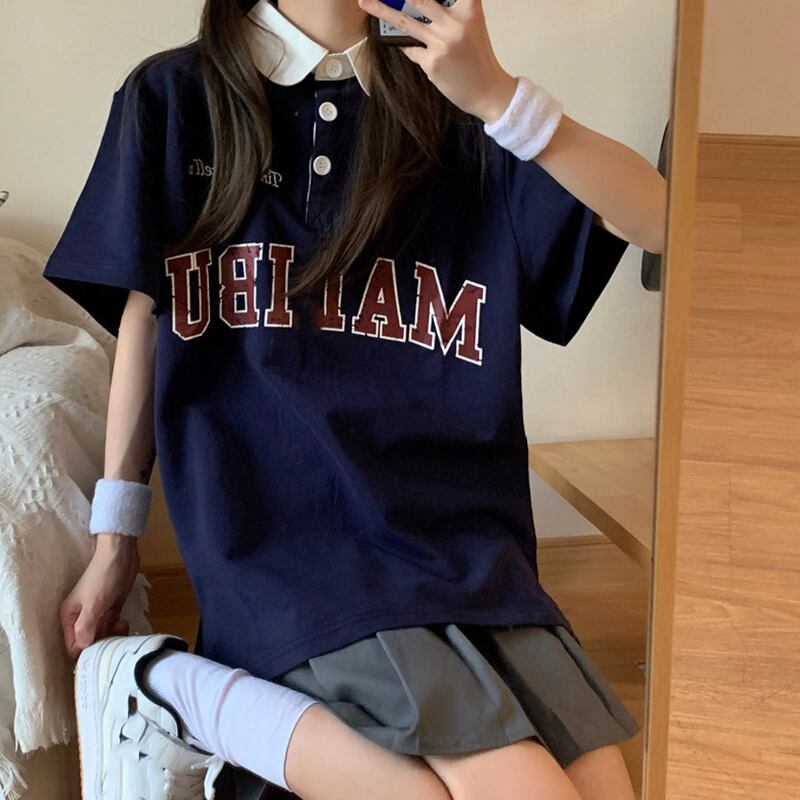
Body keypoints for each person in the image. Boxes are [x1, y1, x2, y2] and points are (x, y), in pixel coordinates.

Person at [43, 1, 666, 798]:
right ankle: (175, 693)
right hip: (286, 543)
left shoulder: (458, 105)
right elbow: (149, 319)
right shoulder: (176, 96)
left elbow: (663, 221)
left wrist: (497, 95)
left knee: (605, 786)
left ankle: (189, 697)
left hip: (468, 544)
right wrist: (115, 541)